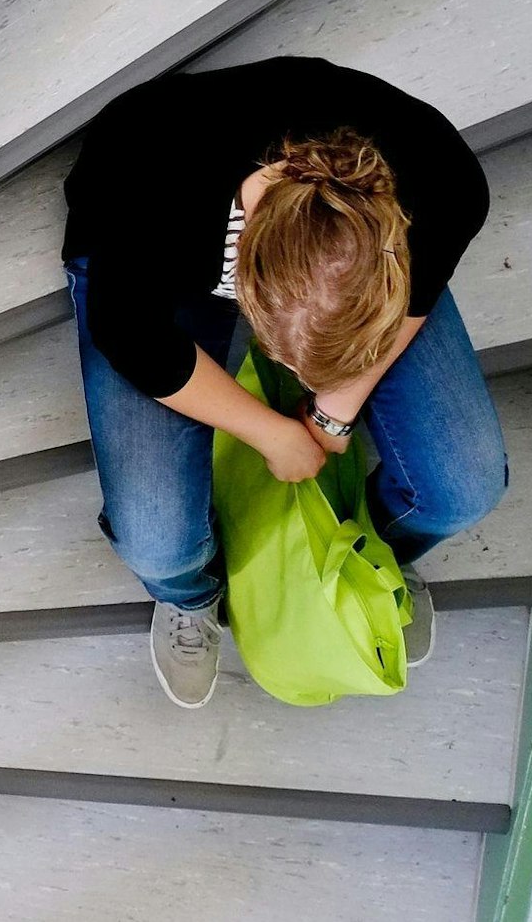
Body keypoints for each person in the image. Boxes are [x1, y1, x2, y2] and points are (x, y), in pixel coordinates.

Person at [62, 55, 508, 708]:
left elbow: (422, 287)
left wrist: (339, 404)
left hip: (343, 265)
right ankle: (193, 593)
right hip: (155, 267)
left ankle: (365, 553)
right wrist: (274, 434)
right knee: (157, 537)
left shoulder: (442, 180)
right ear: (246, 290)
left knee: (465, 487)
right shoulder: (151, 184)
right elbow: (133, 338)